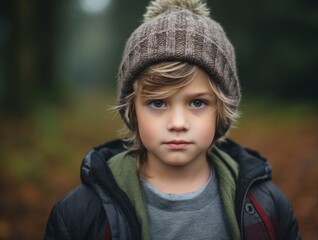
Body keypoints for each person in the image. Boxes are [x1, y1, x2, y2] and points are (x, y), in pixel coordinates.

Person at [45, 0, 300, 239]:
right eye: (157, 103)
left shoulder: (267, 206)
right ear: (132, 109)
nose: (178, 123)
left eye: (197, 103)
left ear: (222, 109)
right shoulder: (80, 214)